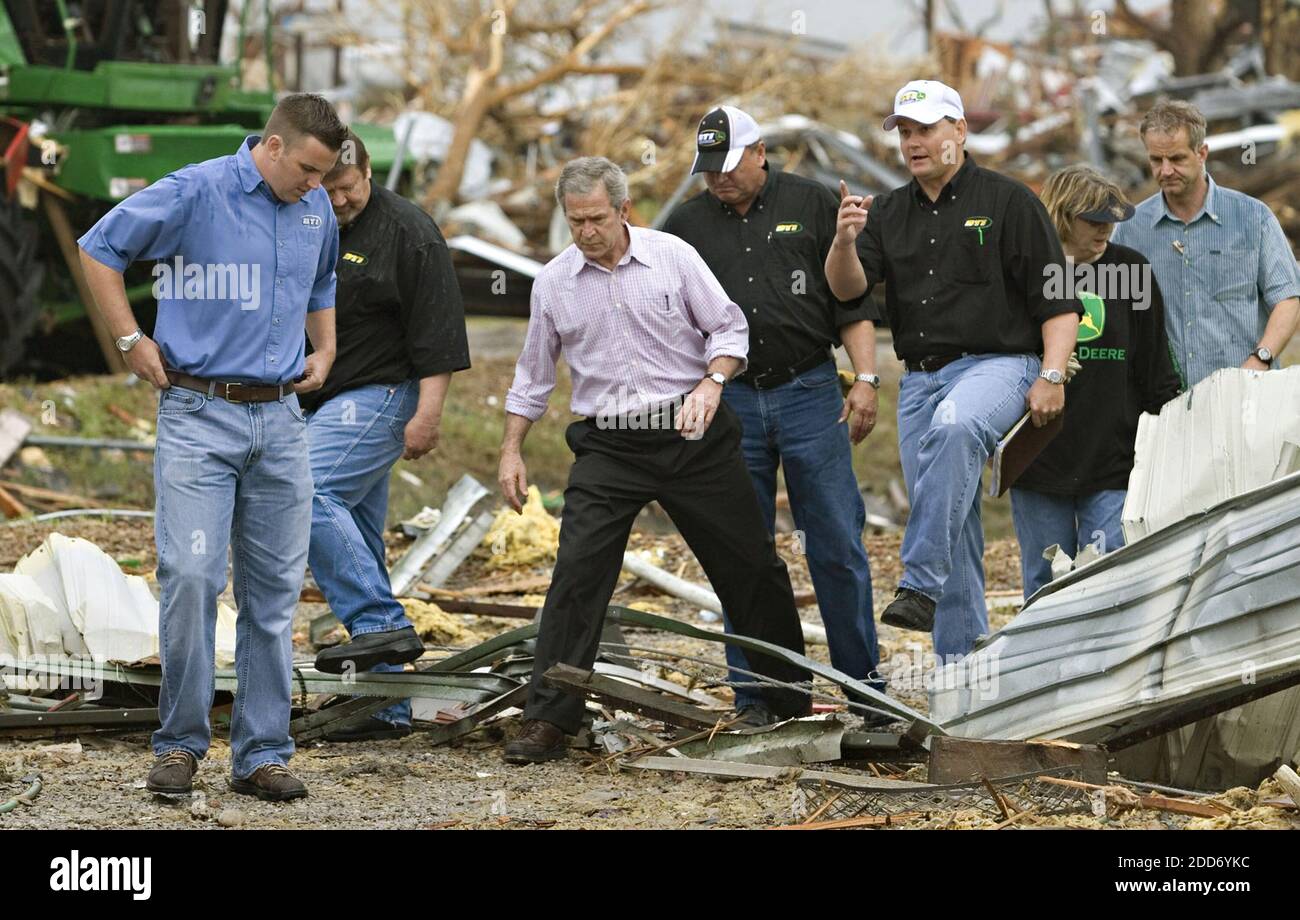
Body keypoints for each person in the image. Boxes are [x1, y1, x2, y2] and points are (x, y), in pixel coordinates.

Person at [498, 156, 813, 764]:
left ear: (622, 210)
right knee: (577, 574)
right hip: (609, 444)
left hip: (691, 433)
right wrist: (512, 448)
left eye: (595, 218)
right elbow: (532, 377)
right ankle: (548, 716)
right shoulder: (554, 282)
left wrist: (713, 382)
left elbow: (728, 328)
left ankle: (787, 697)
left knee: (751, 565)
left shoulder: (673, 256)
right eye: (574, 221)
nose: (586, 231)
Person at [77, 93, 347, 801]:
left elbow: (321, 279)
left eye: (327, 175)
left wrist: (326, 348)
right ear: (276, 146)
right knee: (193, 576)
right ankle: (179, 746)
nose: (319, 186)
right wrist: (131, 339)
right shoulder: (196, 191)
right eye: (310, 170)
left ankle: (261, 755)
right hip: (200, 411)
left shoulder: (314, 208)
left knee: (274, 596)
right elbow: (99, 249)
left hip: (282, 420)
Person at [825, 80, 1081, 661]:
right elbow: (849, 290)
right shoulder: (885, 212)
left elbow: (1058, 299)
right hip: (918, 380)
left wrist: (1053, 373)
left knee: (958, 427)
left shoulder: (1011, 202)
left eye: (926, 130)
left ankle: (918, 582)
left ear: (959, 131)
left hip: (1002, 365)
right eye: (905, 133)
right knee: (956, 522)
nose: (913, 143)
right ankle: (963, 678)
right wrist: (843, 241)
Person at [661, 105, 882, 726]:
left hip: (808, 388)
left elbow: (852, 303)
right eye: (709, 170)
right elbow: (672, 317)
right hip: (730, 399)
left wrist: (865, 379)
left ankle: (867, 691)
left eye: (730, 166)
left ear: (760, 152)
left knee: (836, 543)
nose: (719, 180)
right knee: (742, 550)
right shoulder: (686, 224)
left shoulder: (813, 204)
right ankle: (762, 695)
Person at [302, 130, 471, 740]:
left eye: (346, 188)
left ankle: (378, 623)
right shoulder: (307, 216)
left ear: (367, 174)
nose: (338, 199)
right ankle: (387, 705)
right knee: (358, 537)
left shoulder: (409, 231)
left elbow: (439, 331)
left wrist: (428, 414)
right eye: (327, 187)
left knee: (309, 492)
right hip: (319, 398)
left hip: (383, 392)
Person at [1011, 165, 1183, 599]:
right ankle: (1044, 667)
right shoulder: (1023, 273)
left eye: (1112, 220)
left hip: (1114, 458)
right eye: (1094, 220)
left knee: (1108, 583)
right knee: (1042, 584)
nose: (1106, 229)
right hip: (1037, 457)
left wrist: (1171, 436)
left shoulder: (1132, 271)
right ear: (1064, 216)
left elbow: (1155, 367)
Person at [1111, 100, 1299, 388]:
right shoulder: (1130, 230)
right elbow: (1114, 317)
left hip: (1245, 393)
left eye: (1176, 159)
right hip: (1166, 403)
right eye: (1156, 160)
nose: (1166, 170)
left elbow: (1287, 300)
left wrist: (1260, 358)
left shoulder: (1253, 217)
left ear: (1202, 153)